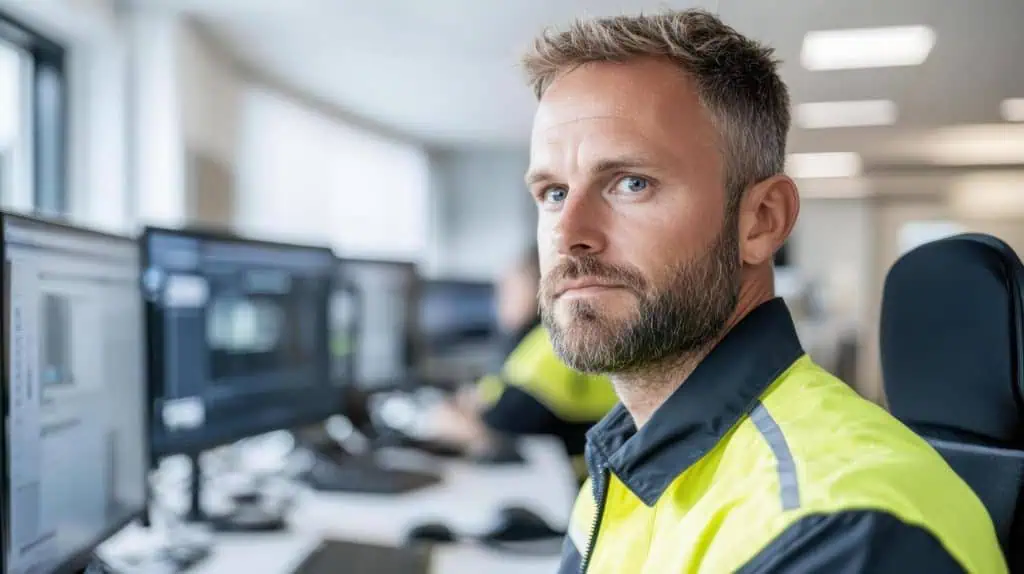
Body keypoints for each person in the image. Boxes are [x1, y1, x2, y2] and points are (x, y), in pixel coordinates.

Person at [521, 9, 1005, 574]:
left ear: (761, 220)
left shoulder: (842, 528)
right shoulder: (621, 467)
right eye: (554, 193)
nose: (569, 234)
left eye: (631, 183)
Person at [424, 246, 617, 483]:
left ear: (533, 289)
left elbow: (497, 431)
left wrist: (449, 420)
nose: (498, 301)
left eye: (508, 289)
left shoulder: (553, 344)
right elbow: (497, 393)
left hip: (578, 481)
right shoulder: (538, 339)